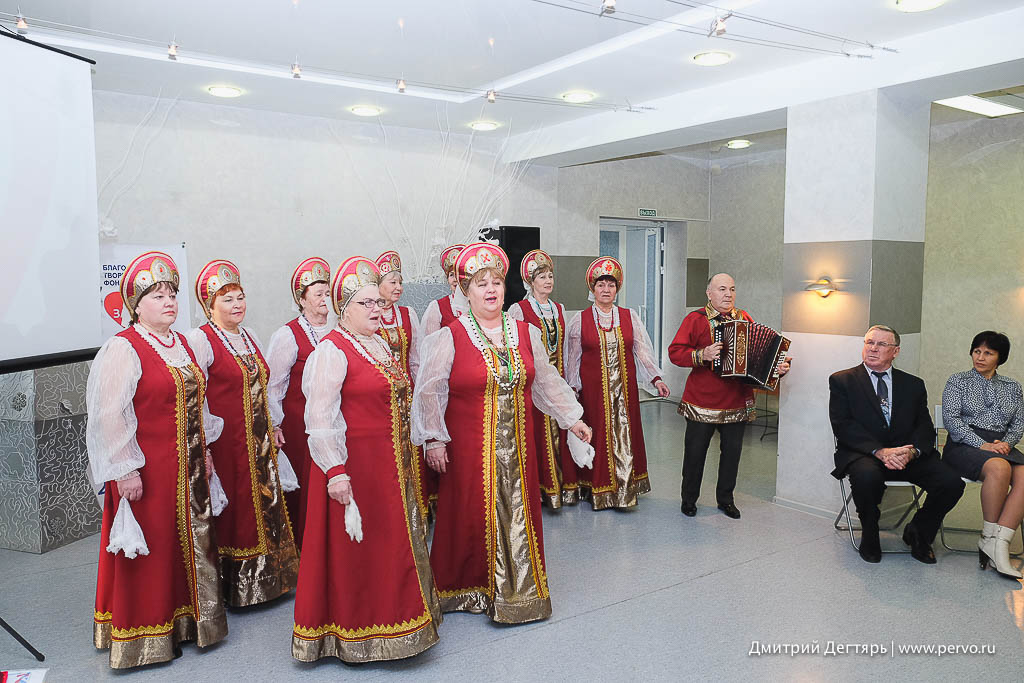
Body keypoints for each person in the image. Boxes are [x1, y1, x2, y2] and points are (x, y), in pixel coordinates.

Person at [412, 242, 592, 623]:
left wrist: (573, 419)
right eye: (481, 284)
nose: (491, 289)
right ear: (467, 290)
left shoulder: (525, 333)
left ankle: (519, 593)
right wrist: (434, 437)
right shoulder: (449, 336)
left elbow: (546, 381)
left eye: (496, 282)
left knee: (518, 516)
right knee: (469, 515)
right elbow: (430, 390)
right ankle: (469, 589)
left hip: (520, 451)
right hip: (469, 452)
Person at [292, 256, 440, 662]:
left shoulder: (377, 343)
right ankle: (364, 633)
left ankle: (402, 620)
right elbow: (319, 417)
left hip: (389, 467)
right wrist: (335, 471)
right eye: (366, 303)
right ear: (344, 308)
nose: (377, 309)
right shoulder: (331, 350)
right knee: (361, 552)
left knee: (391, 545)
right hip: (356, 469)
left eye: (379, 302)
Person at [87, 251, 227, 668]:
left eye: (172, 295)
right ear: (136, 305)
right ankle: (146, 636)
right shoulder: (123, 348)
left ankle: (187, 623)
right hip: (146, 469)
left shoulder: (181, 344)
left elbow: (199, 403)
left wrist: (206, 449)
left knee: (185, 543)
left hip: (187, 468)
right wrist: (125, 468)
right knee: (152, 549)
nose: (169, 302)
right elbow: (110, 414)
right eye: (157, 296)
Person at [188, 259, 299, 605]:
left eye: (240, 297)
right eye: (227, 299)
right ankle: (238, 588)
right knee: (238, 512)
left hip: (259, 441)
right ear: (210, 305)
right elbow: (196, 397)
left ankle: (271, 580)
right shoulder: (201, 339)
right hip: (228, 444)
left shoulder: (248, 337)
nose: (237, 305)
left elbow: (264, 386)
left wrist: (274, 424)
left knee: (265, 505)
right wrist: (204, 446)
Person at [829, 324, 965, 564]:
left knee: (951, 483)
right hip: (864, 453)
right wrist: (880, 451)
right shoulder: (843, 380)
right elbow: (843, 425)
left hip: (905, 453)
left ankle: (919, 532)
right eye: (869, 342)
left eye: (882, 344)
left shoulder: (913, 384)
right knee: (866, 477)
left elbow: (924, 426)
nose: (873, 348)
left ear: (896, 351)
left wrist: (912, 452)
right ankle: (870, 533)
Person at [668, 273, 790, 519]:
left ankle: (726, 500)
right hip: (702, 400)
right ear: (709, 293)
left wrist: (776, 368)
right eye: (722, 289)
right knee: (695, 455)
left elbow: (759, 356)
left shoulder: (744, 318)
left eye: (732, 289)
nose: (728, 294)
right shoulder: (695, 319)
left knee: (732, 456)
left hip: (736, 400)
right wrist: (702, 354)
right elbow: (675, 352)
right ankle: (689, 499)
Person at [565, 256, 669, 510]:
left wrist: (656, 378)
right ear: (593, 289)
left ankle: (624, 488)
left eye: (611, 285)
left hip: (625, 392)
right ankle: (598, 489)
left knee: (625, 434)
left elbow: (642, 352)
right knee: (598, 435)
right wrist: (572, 388)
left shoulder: (629, 316)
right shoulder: (579, 320)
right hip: (593, 393)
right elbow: (573, 358)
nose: (606, 290)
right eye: (601, 285)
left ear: (617, 288)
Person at [942, 331, 1024, 578]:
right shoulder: (958, 381)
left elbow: (1018, 424)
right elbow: (951, 420)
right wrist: (982, 444)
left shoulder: (1012, 387)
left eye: (988, 353)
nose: (980, 357)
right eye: (977, 351)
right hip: (964, 444)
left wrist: (1006, 443)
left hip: (1000, 444)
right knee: (1000, 467)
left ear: (1000, 357)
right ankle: (988, 537)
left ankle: (999, 543)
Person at [266, 257, 333, 550]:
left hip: (333, 422)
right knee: (306, 486)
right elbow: (273, 384)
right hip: (298, 427)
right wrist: (275, 424)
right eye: (318, 293)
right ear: (302, 300)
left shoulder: (339, 329)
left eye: (327, 292)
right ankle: (303, 548)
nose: (325, 298)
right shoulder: (288, 335)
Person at [508, 249, 577, 508]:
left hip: (558, 379)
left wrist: (569, 381)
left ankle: (563, 488)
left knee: (562, 430)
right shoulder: (519, 309)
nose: (548, 281)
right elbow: (514, 349)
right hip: (534, 384)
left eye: (550, 276)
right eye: (542, 277)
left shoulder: (559, 308)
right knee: (536, 435)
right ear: (530, 281)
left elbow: (566, 348)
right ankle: (541, 491)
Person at [374, 250, 432, 529]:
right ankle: (390, 515)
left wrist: (420, 393)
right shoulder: (369, 315)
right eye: (392, 282)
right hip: (381, 399)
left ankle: (416, 513)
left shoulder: (408, 314)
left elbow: (417, 358)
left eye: (400, 282)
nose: (398, 287)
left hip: (407, 396)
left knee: (411, 450)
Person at [419, 244, 467, 337]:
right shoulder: (437, 307)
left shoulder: (479, 305)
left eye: (459, 275)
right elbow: (431, 342)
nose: (455, 279)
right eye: (451, 275)